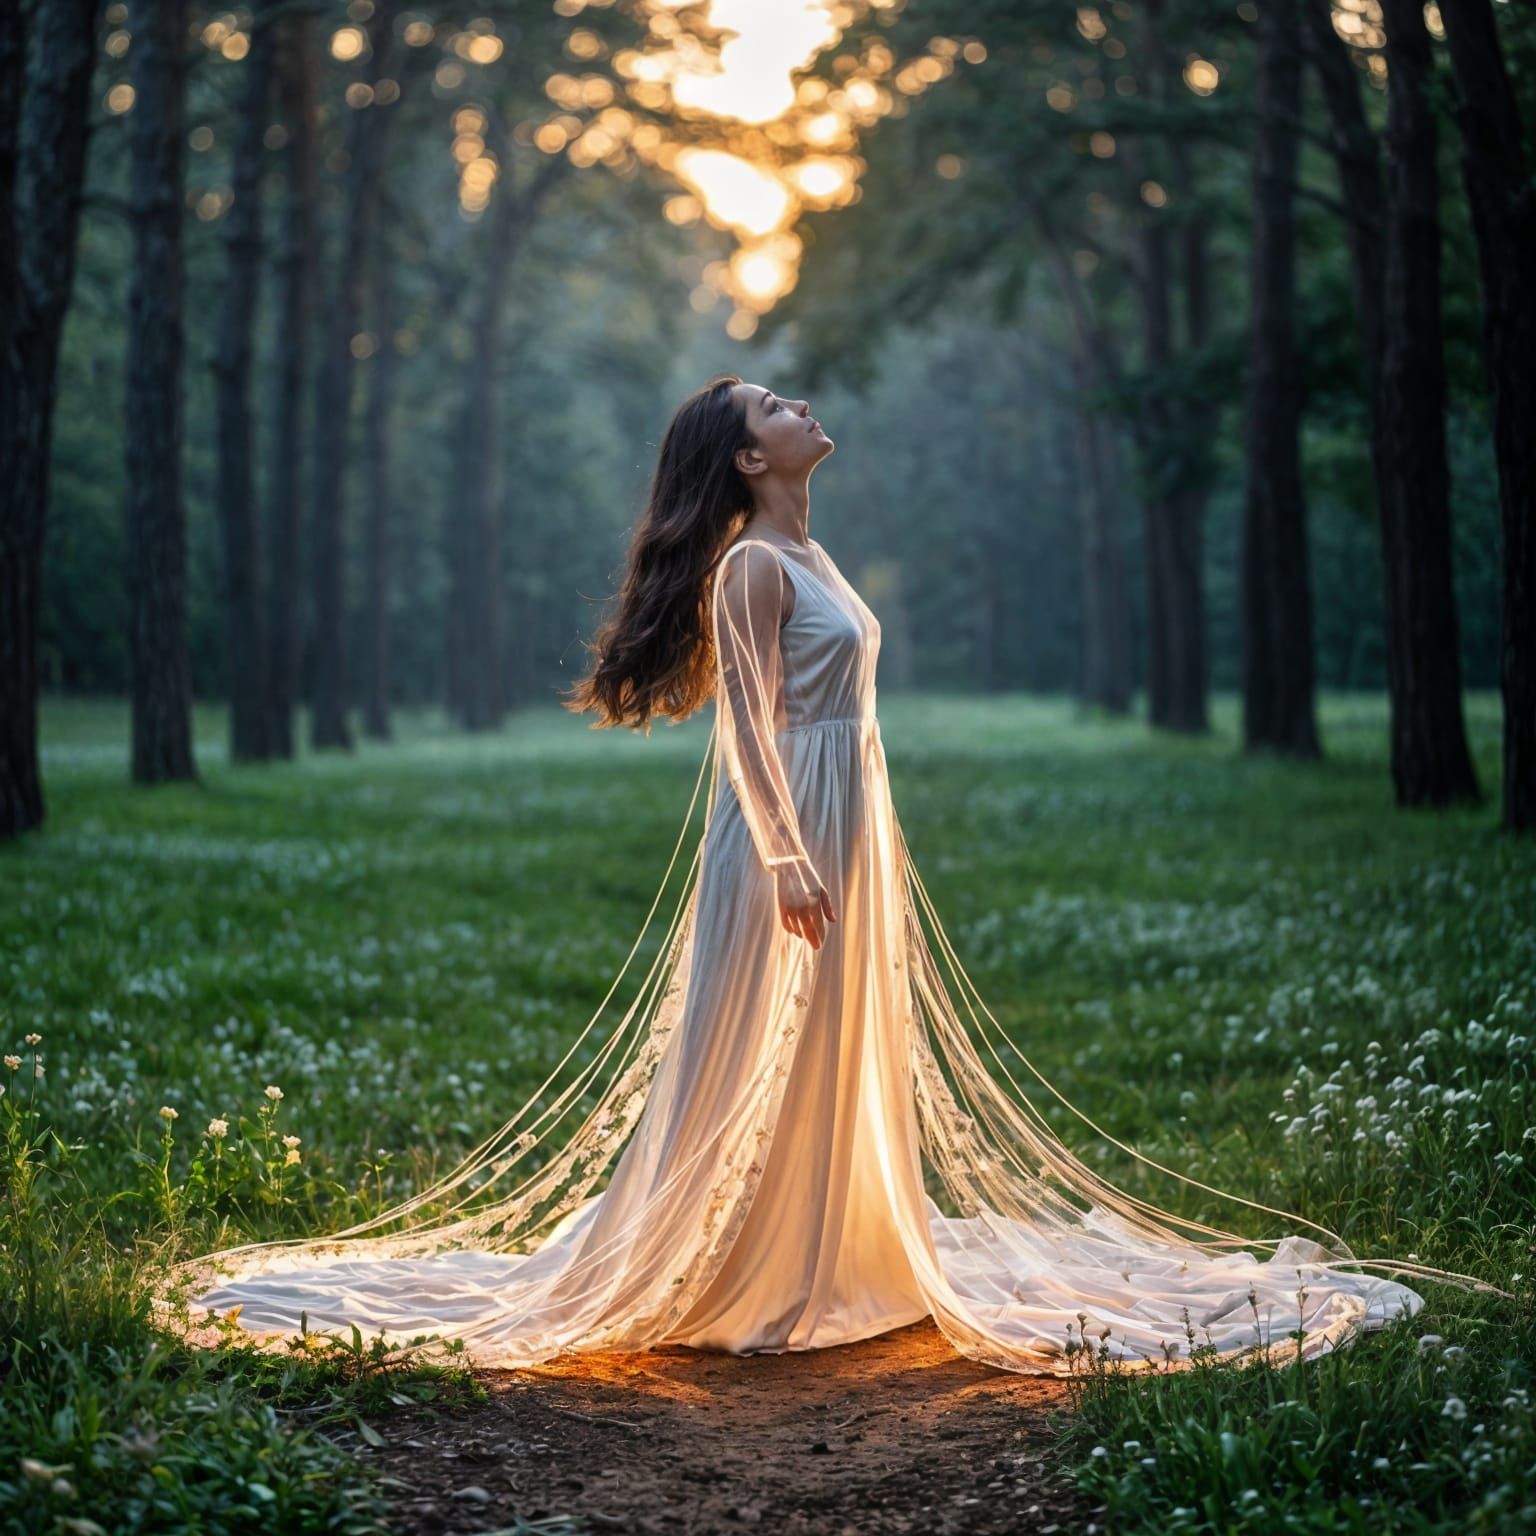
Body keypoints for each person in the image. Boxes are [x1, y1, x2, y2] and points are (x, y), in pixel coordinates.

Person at [150, 376, 1506, 1374]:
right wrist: (793, 857)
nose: (803, 405)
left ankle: (835, 1244)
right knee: (759, 1049)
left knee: (838, 1053)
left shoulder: (812, 551)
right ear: (747, 454)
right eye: (776, 401)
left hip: (848, 816)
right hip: (786, 833)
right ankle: (741, 1270)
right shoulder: (748, 569)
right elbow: (742, 729)